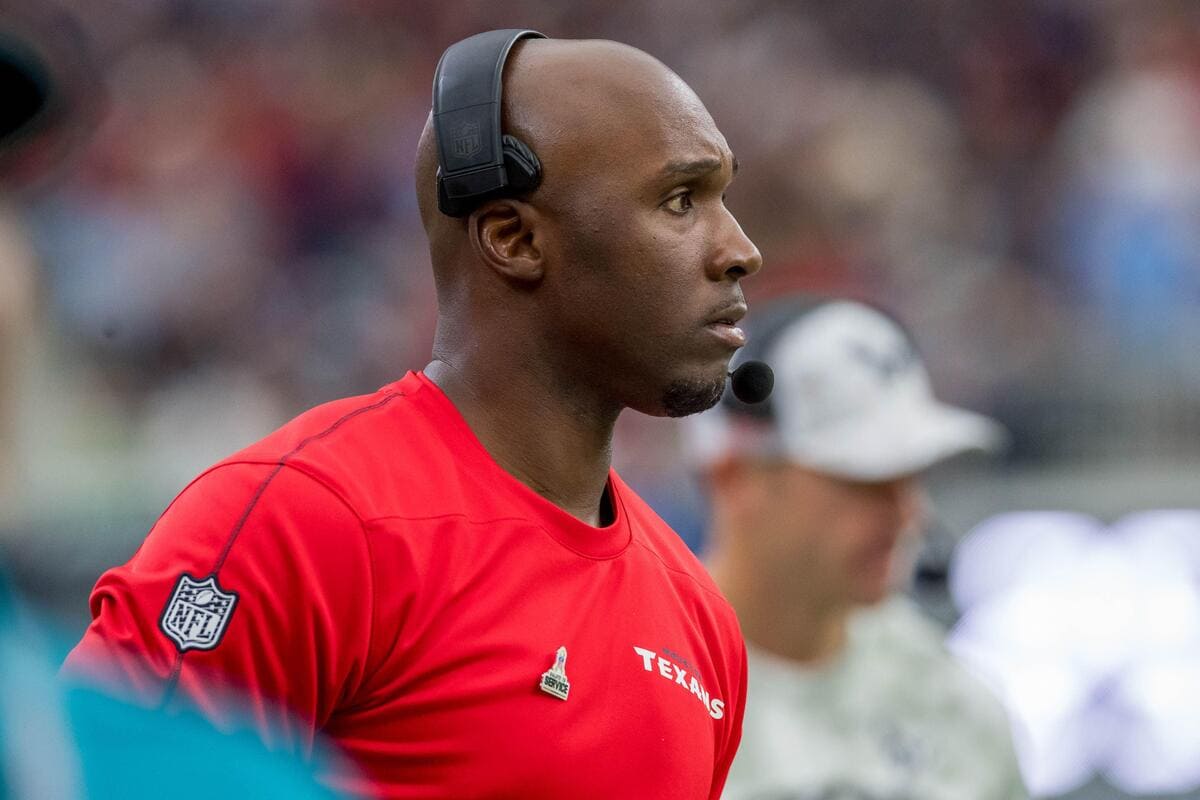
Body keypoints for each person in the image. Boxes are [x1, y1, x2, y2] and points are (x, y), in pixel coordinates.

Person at [65, 30, 762, 799]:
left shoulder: (700, 617)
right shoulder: (306, 521)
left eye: (722, 197)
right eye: (679, 201)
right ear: (512, 237)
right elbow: (81, 776)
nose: (740, 249)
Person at [685, 297, 1028, 800]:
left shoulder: (950, 700)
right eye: (865, 478)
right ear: (736, 478)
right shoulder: (647, 688)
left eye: (912, 475)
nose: (909, 513)